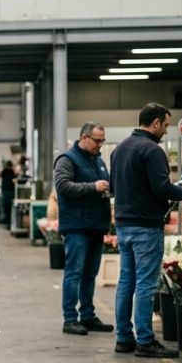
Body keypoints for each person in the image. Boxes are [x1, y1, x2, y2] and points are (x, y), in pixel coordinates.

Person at [111, 103, 182, 358]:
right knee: (145, 284)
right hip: (145, 226)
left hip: (123, 225)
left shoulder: (119, 149)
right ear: (155, 123)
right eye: (165, 125)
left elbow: (113, 187)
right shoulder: (152, 150)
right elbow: (162, 188)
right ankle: (145, 340)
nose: (166, 130)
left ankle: (124, 337)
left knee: (126, 281)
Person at [55, 123, 114, 336]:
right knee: (74, 273)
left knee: (90, 274)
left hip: (95, 226)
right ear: (84, 137)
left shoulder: (98, 160)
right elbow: (62, 186)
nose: (100, 145)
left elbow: (105, 184)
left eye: (102, 141)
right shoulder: (67, 160)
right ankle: (70, 319)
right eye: (97, 140)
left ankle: (87, 316)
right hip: (76, 227)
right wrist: (93, 187)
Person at [0, 159, 17, 227]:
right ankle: (8, 223)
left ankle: (8, 223)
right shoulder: (10, 172)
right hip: (9, 192)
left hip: (7, 192)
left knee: (7, 208)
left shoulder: (4, 171)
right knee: (8, 208)